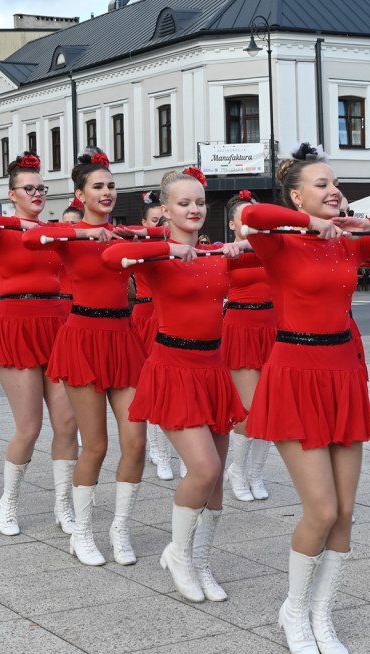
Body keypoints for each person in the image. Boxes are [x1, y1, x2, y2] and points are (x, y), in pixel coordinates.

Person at [241, 142, 370, 654]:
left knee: (345, 511)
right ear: (297, 195)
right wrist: (307, 225)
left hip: (342, 375)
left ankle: (322, 612)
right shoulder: (277, 242)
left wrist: (355, 227)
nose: (333, 191)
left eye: (334, 183)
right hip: (294, 373)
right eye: (320, 185)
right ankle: (294, 608)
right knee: (320, 508)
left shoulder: (347, 245)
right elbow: (251, 213)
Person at [100, 167, 250, 602]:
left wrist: (244, 245)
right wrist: (166, 249)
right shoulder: (153, 253)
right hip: (173, 367)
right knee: (202, 469)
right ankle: (179, 554)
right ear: (165, 210)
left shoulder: (217, 253)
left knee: (216, 479)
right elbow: (111, 259)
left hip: (213, 369)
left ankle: (201, 561)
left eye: (200, 202)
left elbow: (277, 252)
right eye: (183, 203)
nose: (194, 209)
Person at [24, 148, 156, 568]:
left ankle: (120, 527)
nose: (108, 192)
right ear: (80, 195)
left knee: (136, 440)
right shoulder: (67, 234)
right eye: (98, 186)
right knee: (95, 444)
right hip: (82, 338)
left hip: (123, 337)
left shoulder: (125, 234)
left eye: (112, 186)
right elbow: (29, 237)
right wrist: (83, 234)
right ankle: (81, 531)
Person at [0, 152, 79, 538]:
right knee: (29, 427)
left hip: (56, 325)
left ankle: (64, 504)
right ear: (12, 194)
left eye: (41, 188)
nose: (37, 194)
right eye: (28, 188)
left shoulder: (52, 232)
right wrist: (22, 223)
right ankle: (8, 499)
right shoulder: (1, 231)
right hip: (15, 325)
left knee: (67, 424)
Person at [221, 189, 276, 502]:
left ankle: (255, 473)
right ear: (232, 225)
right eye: (243, 220)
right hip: (241, 328)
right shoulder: (226, 251)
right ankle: (237, 470)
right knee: (249, 409)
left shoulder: (273, 248)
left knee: (270, 408)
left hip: (273, 330)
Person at [132, 190, 176, 481]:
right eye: (154, 221)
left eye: (163, 221)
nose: (160, 226)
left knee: (171, 387)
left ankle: (168, 449)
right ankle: (159, 452)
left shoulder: (177, 244)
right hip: (143, 317)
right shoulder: (141, 246)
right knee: (148, 387)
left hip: (169, 318)